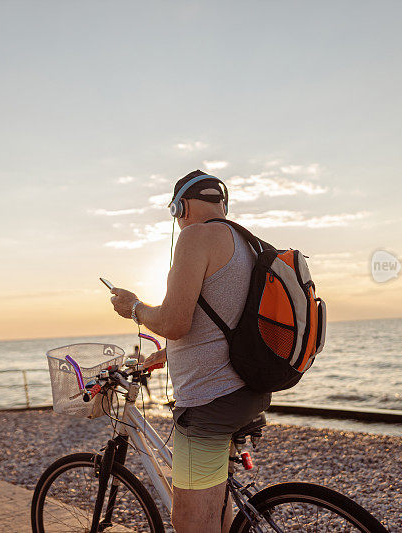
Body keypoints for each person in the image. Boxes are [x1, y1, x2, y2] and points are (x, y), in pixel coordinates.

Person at [109, 170, 271, 533]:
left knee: (189, 522)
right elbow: (226, 317)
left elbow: (175, 322)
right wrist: (169, 353)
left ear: (180, 207)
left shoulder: (195, 236)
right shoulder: (246, 243)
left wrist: (134, 307)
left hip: (210, 402)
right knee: (218, 510)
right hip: (249, 390)